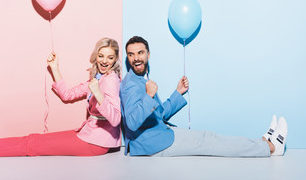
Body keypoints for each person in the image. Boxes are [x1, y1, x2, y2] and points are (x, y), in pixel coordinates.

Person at [120, 36, 287, 157]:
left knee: (209, 138)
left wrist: (178, 93)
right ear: (127, 57)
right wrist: (149, 95)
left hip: (159, 135)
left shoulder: (143, 78)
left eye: (140, 53)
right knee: (209, 140)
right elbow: (132, 123)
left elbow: (158, 114)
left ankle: (264, 141)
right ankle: (271, 148)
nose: (136, 59)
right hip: (151, 143)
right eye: (131, 54)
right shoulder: (130, 84)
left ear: (148, 55)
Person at [0, 37, 122, 157]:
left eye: (110, 57)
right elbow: (67, 94)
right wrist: (55, 68)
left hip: (96, 143)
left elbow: (115, 119)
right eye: (101, 56)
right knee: (34, 140)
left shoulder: (111, 81)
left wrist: (99, 95)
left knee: (33, 144)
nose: (104, 61)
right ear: (95, 56)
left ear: (115, 60)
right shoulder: (98, 78)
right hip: (87, 134)